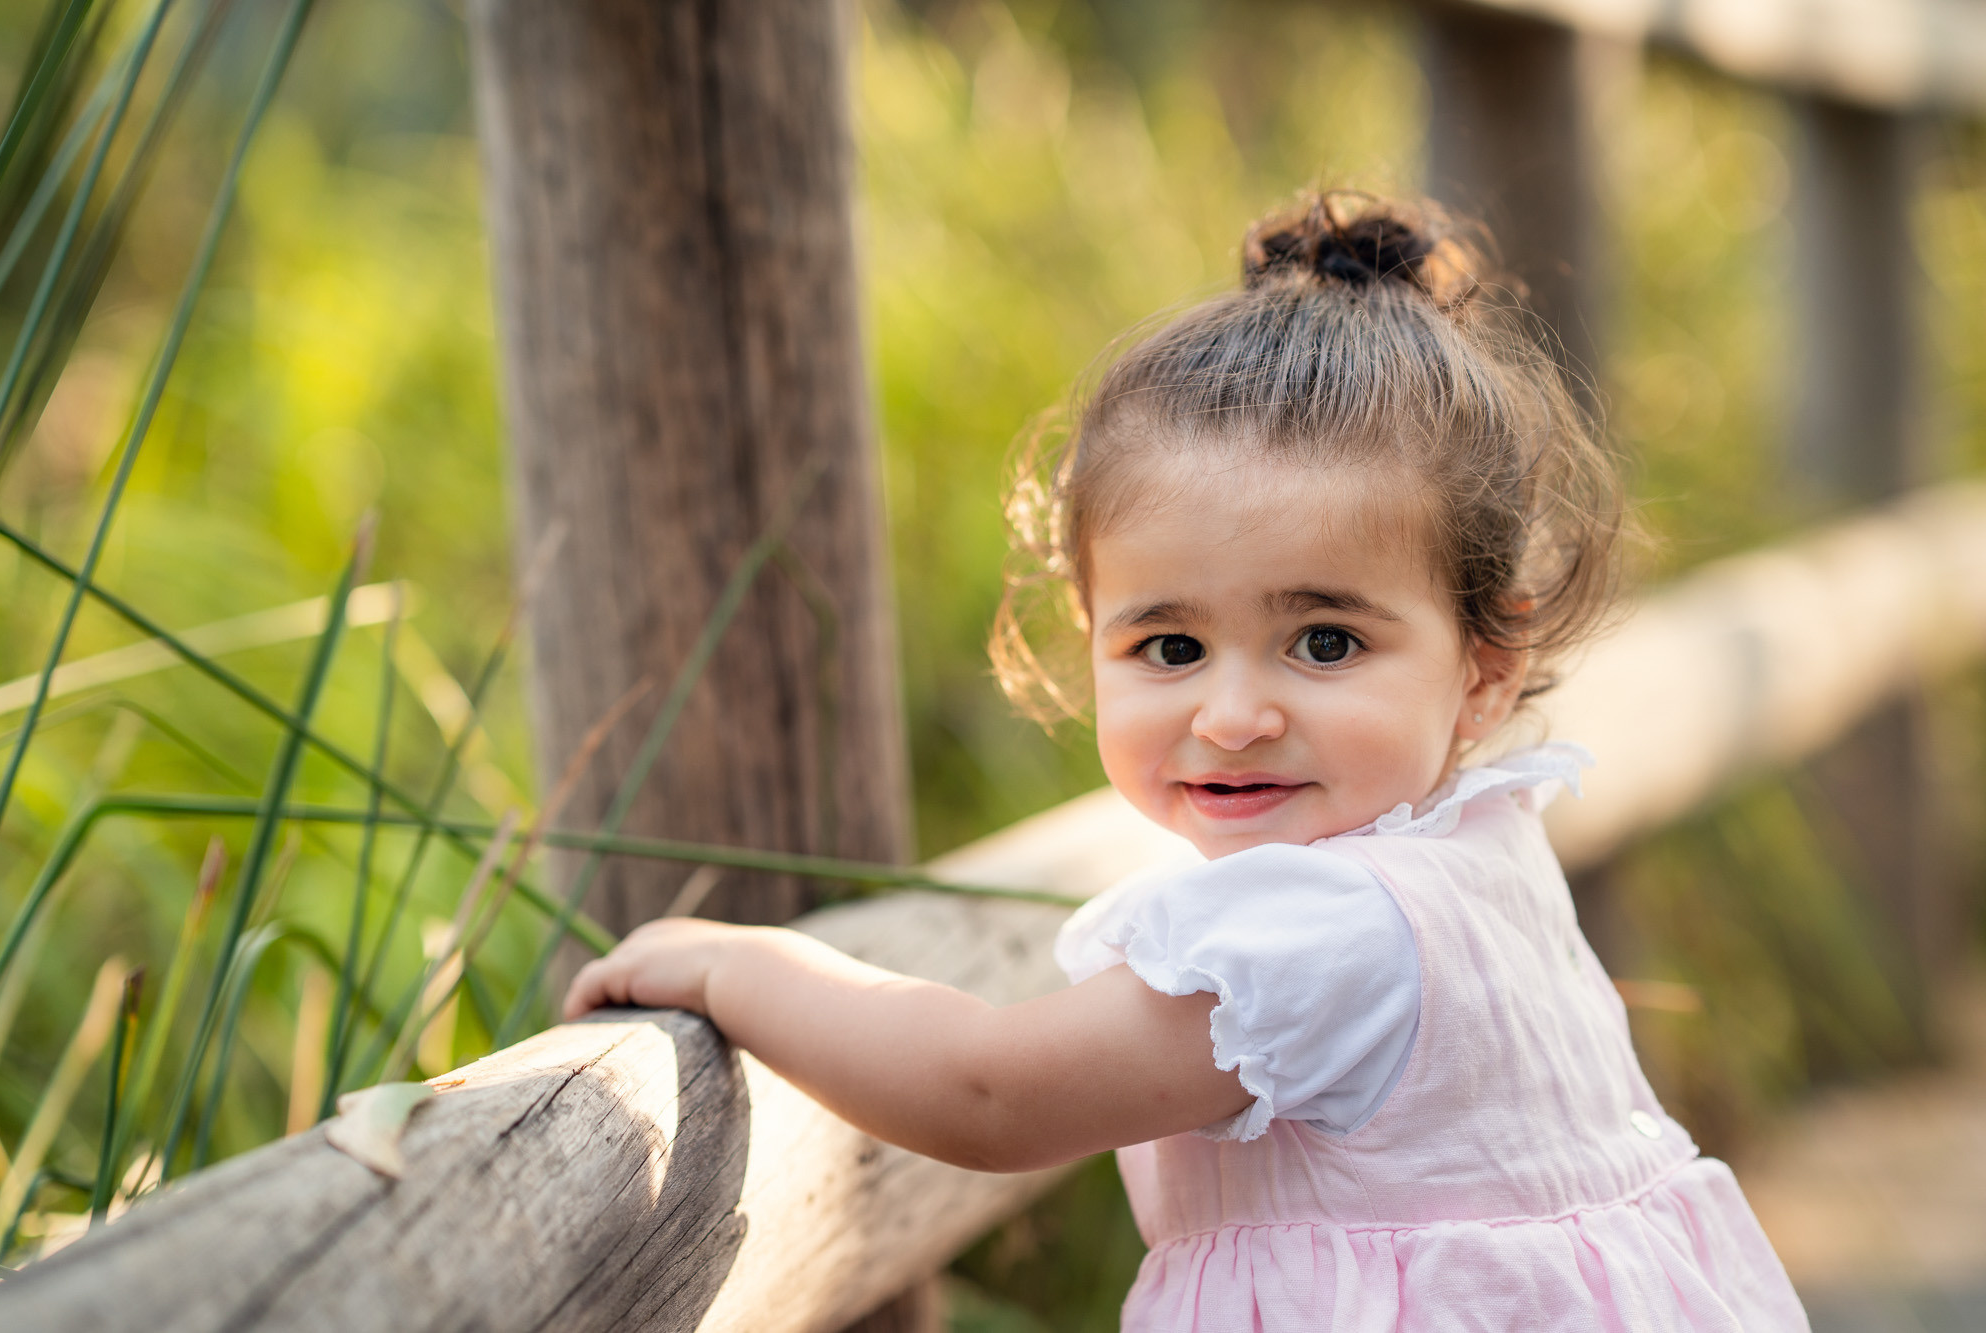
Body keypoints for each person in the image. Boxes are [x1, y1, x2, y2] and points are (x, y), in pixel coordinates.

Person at [563, 191, 1808, 1331]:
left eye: (1323, 641)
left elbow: (987, 1094)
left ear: (1482, 662)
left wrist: (739, 964)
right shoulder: (1469, 848)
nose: (1229, 714)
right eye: (1168, 645)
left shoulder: (1321, 936)